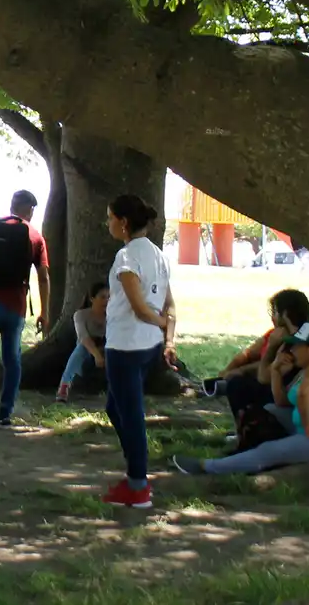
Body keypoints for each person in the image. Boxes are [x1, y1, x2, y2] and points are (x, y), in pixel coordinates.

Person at [174, 323, 309, 476]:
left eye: (296, 346)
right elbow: (282, 402)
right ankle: (247, 451)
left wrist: (308, 426)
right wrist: (276, 372)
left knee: (269, 450)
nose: (292, 351)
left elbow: (305, 395)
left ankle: (208, 467)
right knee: (269, 410)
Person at [99, 194, 176, 509]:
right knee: (116, 409)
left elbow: (142, 308)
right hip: (146, 346)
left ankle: (138, 486)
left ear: (124, 222)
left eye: (109, 217)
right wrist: (167, 337)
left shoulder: (127, 257)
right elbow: (170, 305)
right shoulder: (158, 255)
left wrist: (161, 325)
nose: (108, 223)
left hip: (127, 346)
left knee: (130, 415)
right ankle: (135, 468)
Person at [0, 189, 51, 427]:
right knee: (12, 359)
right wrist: (44, 312)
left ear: (12, 206)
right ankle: (4, 414)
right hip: (14, 305)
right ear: (30, 210)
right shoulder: (34, 235)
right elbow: (43, 277)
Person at [206, 289, 309, 425]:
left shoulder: (295, 340)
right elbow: (249, 354)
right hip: (288, 392)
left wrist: (271, 348)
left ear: (284, 314)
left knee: (238, 386)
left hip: (289, 398)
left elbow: (264, 377)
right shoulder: (305, 332)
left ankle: (247, 428)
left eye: (274, 312)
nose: (272, 317)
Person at [55, 282, 110, 403]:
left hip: (107, 348)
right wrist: (96, 355)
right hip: (87, 353)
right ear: (92, 299)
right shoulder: (81, 315)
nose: (106, 301)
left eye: (109, 297)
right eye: (102, 297)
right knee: (82, 347)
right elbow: (83, 337)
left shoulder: (112, 316)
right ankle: (64, 387)